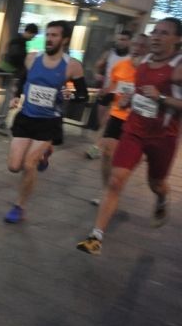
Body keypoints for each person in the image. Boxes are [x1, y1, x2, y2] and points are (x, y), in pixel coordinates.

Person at [77, 18, 182, 255]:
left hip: (163, 137)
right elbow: (138, 88)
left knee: (157, 184)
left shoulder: (178, 67)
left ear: (177, 40)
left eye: (164, 33)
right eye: (154, 31)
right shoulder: (144, 61)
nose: (156, 36)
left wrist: (162, 99)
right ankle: (96, 237)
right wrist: (128, 98)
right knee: (115, 180)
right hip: (134, 130)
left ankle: (162, 199)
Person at [3, 20, 88, 224]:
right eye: (48, 35)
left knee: (28, 165)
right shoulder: (32, 58)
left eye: (54, 36)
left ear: (64, 40)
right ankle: (45, 154)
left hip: (48, 122)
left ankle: (19, 207)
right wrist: (16, 96)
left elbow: (83, 95)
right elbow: (22, 81)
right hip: (26, 117)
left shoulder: (72, 66)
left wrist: (70, 95)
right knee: (14, 166)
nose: (49, 39)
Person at [88, 34, 149, 206]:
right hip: (117, 115)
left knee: (120, 160)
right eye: (135, 44)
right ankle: (107, 190)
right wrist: (104, 92)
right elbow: (114, 87)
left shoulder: (147, 70)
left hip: (137, 119)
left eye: (142, 45)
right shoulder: (120, 66)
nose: (137, 47)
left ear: (147, 49)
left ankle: (113, 190)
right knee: (107, 154)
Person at [86, 30, 133, 159]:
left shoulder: (131, 58)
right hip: (106, 91)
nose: (120, 42)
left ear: (129, 41)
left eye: (124, 39)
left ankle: (96, 149)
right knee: (102, 122)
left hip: (119, 95)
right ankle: (104, 145)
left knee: (108, 122)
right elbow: (97, 65)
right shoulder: (110, 53)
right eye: (119, 39)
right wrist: (98, 74)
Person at [0, 23, 38, 135]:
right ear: (30, 32)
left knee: (8, 97)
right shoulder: (19, 42)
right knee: (8, 97)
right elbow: (15, 56)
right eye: (33, 35)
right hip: (9, 72)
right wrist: (25, 59)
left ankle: (1, 121)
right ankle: (0, 123)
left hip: (10, 72)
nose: (33, 37)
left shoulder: (18, 40)